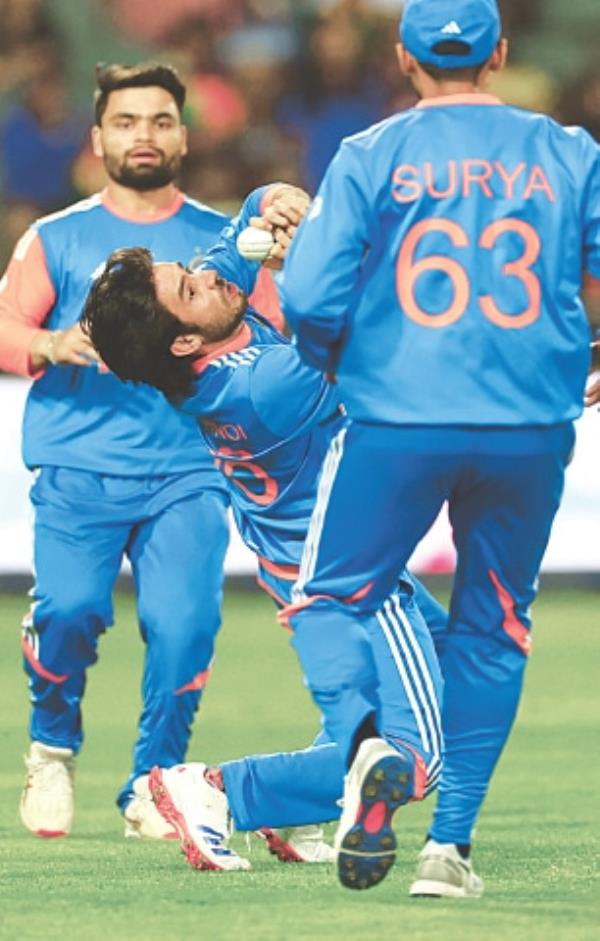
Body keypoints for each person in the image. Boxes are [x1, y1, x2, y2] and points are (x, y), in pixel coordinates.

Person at [279, 0, 599, 896]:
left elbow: (308, 297)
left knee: (334, 595)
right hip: (530, 423)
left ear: (403, 59)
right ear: (499, 53)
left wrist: (338, 360)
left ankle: (367, 746)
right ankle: (447, 848)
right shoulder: (570, 150)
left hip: (400, 414)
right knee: (494, 625)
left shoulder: (370, 154)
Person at [80, 184, 446, 878]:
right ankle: (215, 789)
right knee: (415, 755)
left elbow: (245, 230)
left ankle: (302, 803)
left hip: (312, 559)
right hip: (349, 571)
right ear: (185, 338)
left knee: (453, 657)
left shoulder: (204, 331)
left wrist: (272, 204)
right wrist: (310, 246)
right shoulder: (262, 387)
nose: (210, 274)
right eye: (190, 285)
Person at [0, 61, 283, 842]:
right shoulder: (54, 236)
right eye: (126, 122)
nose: (144, 135)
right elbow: (4, 325)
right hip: (78, 467)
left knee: (186, 625)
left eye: (160, 120)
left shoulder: (223, 241)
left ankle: (152, 786)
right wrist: (49, 340)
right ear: (98, 138)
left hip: (189, 470)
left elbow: (274, 329)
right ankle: (52, 747)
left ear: (184, 134)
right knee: (69, 612)